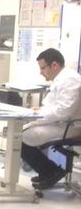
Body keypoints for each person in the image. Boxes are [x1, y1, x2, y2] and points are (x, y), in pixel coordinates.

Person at [21, 48, 81, 190]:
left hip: (72, 127)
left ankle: (51, 171)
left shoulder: (70, 79)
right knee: (19, 133)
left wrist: (38, 118)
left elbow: (64, 111)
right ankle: (49, 171)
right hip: (62, 124)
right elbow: (53, 106)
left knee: (23, 135)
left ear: (54, 65)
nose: (41, 72)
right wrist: (39, 111)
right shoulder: (61, 79)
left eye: (43, 68)